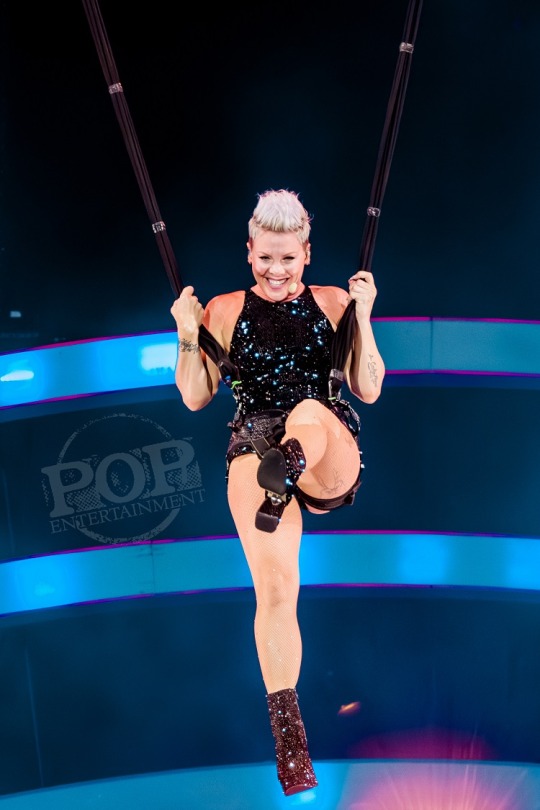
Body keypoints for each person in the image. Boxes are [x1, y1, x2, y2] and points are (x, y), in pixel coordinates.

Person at [170, 188, 385, 796]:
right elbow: (195, 396)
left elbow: (369, 387)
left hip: (324, 447)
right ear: (249, 251)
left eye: (288, 258)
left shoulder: (334, 301)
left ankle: (288, 464)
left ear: (307, 253)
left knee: (309, 412)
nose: (276, 270)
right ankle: (291, 745)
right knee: (275, 589)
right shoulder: (223, 309)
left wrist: (364, 316)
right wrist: (186, 331)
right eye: (265, 257)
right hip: (254, 443)